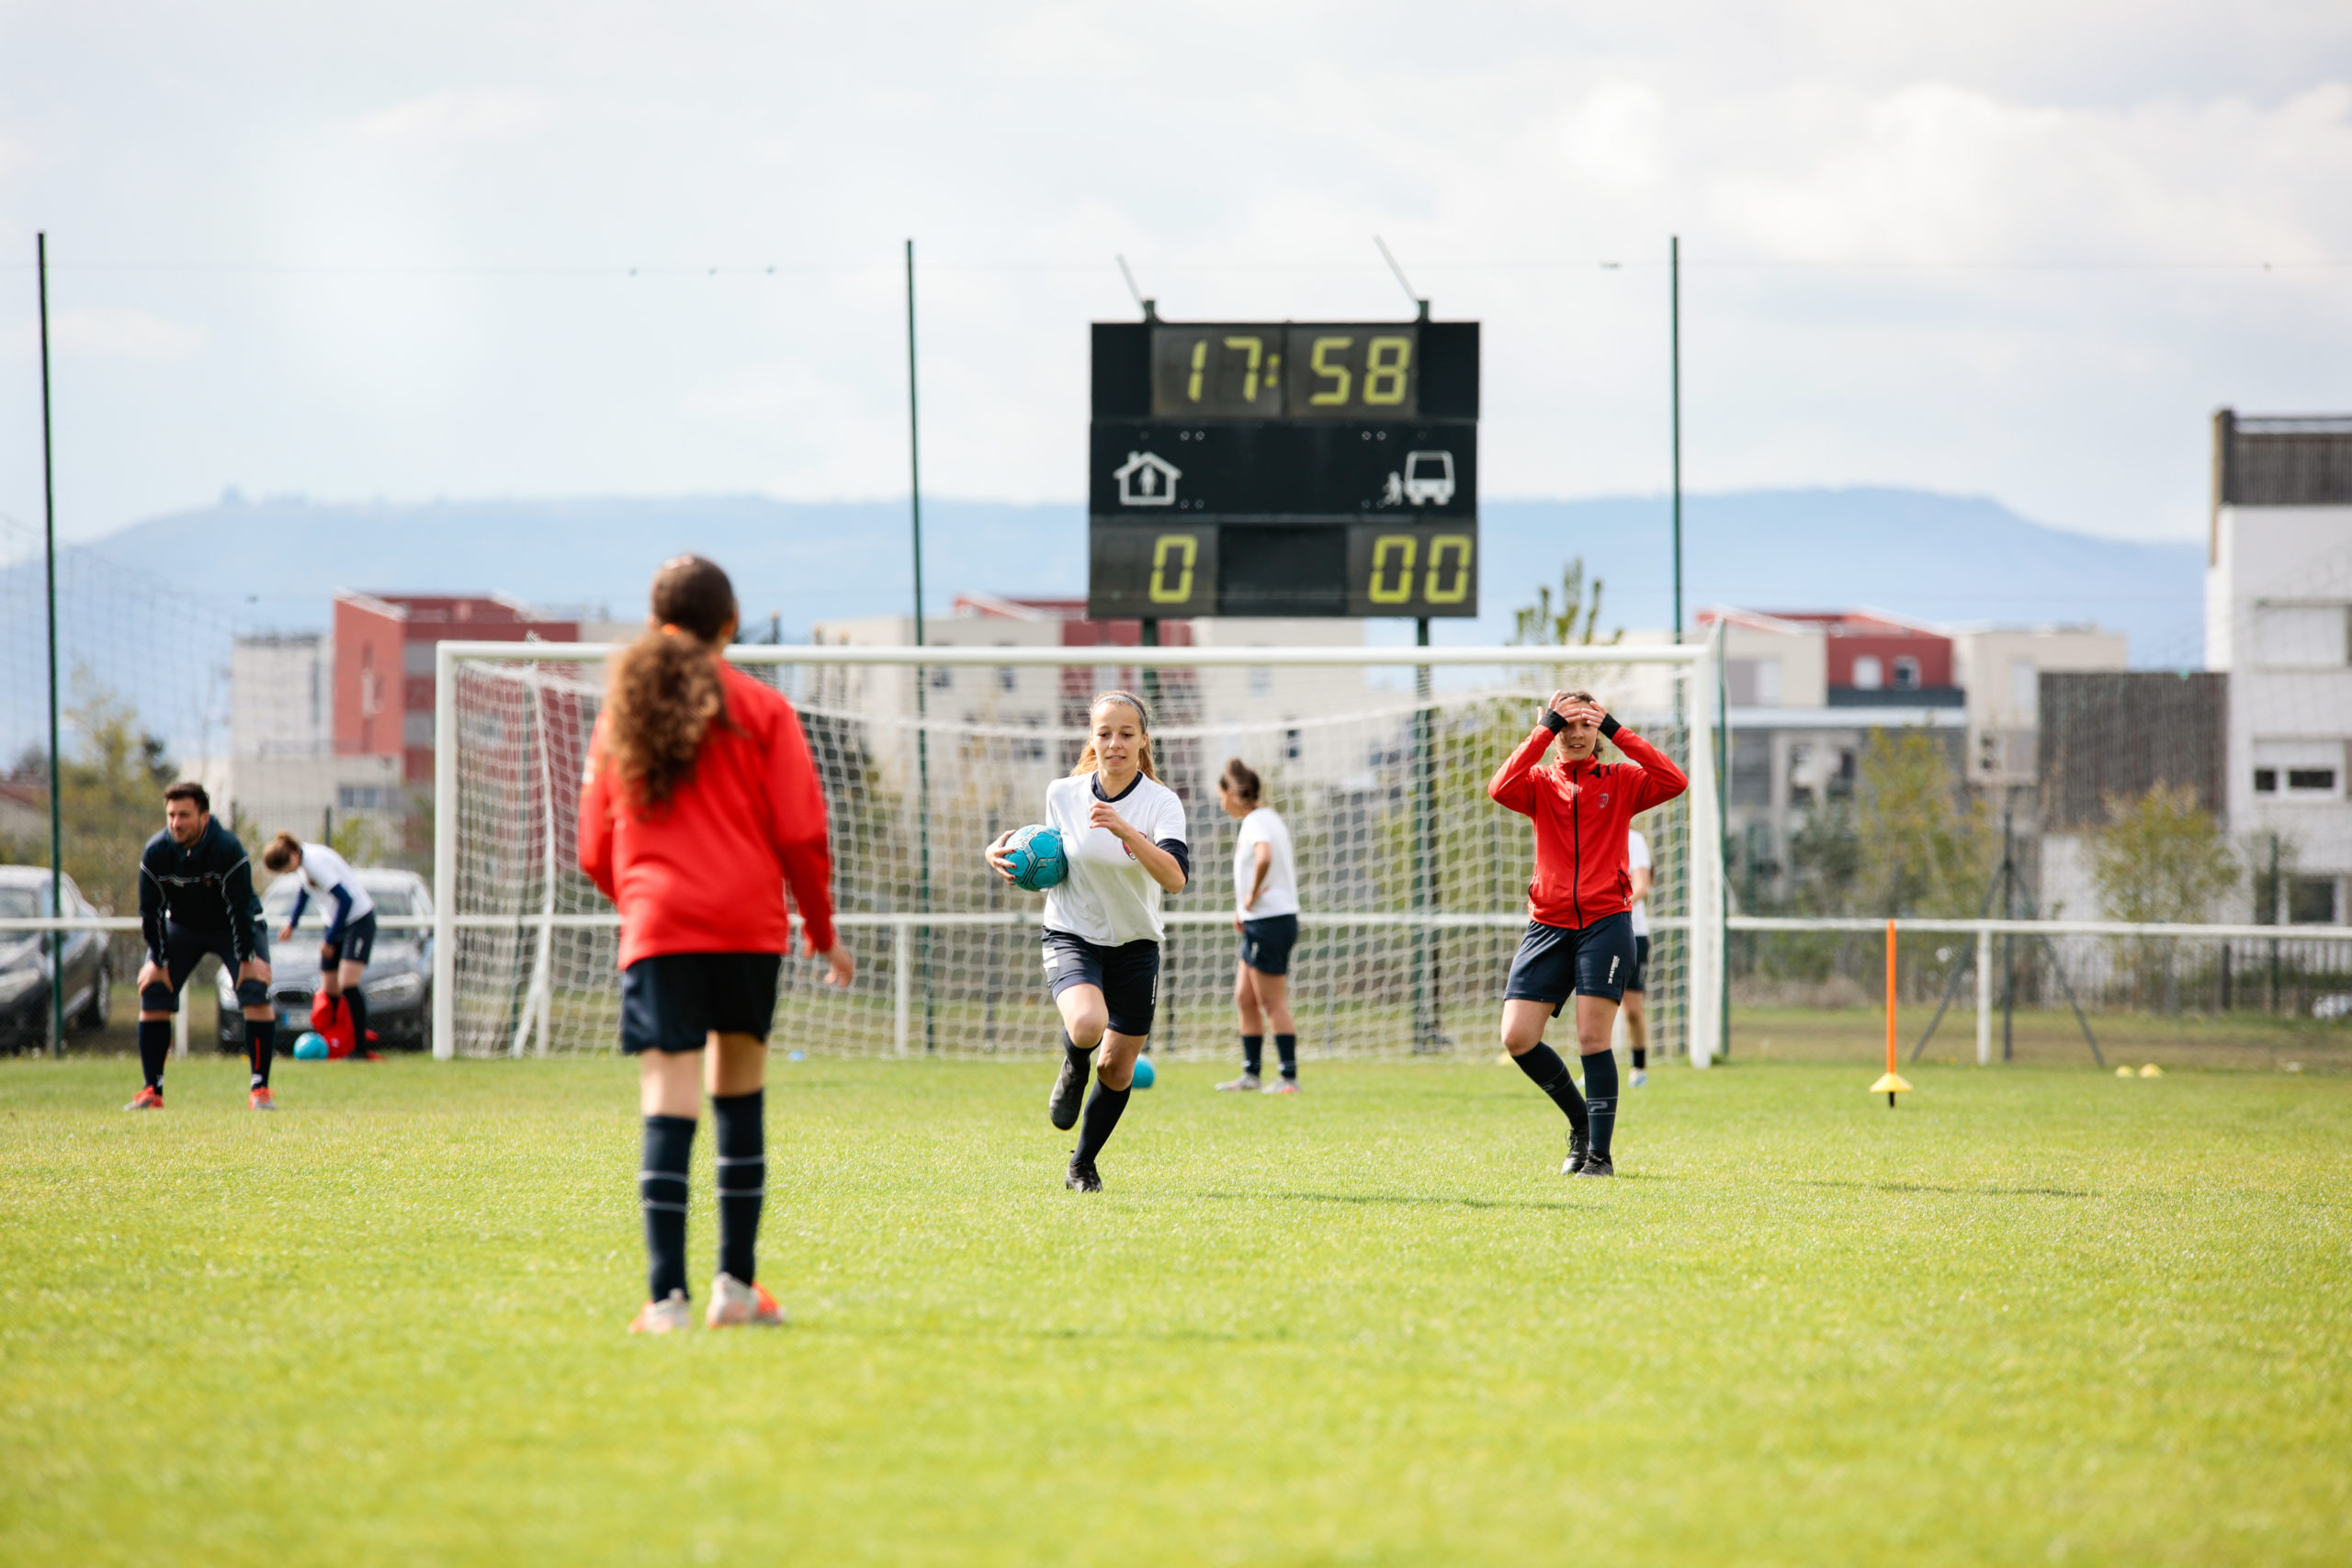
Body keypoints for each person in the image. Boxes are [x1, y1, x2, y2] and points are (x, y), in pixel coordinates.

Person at [578, 555, 853, 1335]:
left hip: (659, 928)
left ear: (654, 619)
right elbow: (803, 833)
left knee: (667, 1103)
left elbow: (592, 846)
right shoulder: (764, 707)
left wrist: (642, 903)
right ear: (730, 623)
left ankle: (665, 1299)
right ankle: (736, 1289)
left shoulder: (620, 711)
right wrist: (822, 932)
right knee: (738, 1098)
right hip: (747, 927)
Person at [985, 691, 1187, 1192]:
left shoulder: (1161, 803)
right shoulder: (1063, 793)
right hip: (1072, 933)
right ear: (1091, 739)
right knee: (1088, 1023)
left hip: (1136, 945)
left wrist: (1127, 832)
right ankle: (1073, 1065)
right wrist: (1003, 854)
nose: (1114, 743)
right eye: (1104, 733)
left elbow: (1176, 878)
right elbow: (1044, 853)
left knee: (1118, 1068)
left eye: (1125, 734)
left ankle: (1082, 1163)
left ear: (1143, 741)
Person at [1487, 690, 1687, 1177]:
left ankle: (1599, 1155)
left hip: (1605, 925)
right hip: (1547, 925)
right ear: (1553, 730)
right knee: (1516, 1038)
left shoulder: (1621, 780)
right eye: (1565, 724)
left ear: (1598, 731)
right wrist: (1540, 731)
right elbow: (1498, 787)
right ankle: (1581, 1122)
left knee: (1593, 1038)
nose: (1575, 734)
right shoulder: (1537, 783)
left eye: (1585, 724)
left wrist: (1619, 729)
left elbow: (1674, 780)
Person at [131, 782, 276, 1110]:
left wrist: (247, 958)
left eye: (184, 815)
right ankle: (152, 1091)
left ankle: (260, 1090)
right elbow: (149, 912)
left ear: (204, 816)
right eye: (171, 815)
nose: (176, 823)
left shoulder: (227, 848)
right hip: (183, 926)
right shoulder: (156, 852)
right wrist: (157, 959)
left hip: (233, 926)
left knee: (254, 989)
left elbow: (240, 909)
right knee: (153, 992)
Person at [1212, 759, 1301, 1094]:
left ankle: (1289, 1078)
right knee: (1244, 997)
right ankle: (1250, 1075)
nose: (1221, 803)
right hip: (1261, 921)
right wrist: (1244, 909)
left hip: (1270, 922)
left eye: (1222, 795)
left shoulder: (1255, 822)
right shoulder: (1268, 818)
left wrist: (1249, 898)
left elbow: (1263, 857)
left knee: (1272, 1003)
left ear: (1234, 793)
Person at [262, 833, 379, 1059]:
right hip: (336, 924)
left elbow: (346, 900)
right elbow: (304, 892)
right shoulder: (303, 864)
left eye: (286, 868)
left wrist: (330, 938)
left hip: (358, 921)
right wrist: (292, 923)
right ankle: (335, 1042)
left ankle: (360, 1049)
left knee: (348, 984)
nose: (288, 873)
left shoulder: (315, 861)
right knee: (330, 987)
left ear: (293, 855)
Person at [1623, 824, 1653, 1088]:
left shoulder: (1634, 840)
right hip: (1595, 934)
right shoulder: (1588, 832)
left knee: (1632, 1009)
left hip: (1632, 934)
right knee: (1593, 1005)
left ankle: (1639, 1066)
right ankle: (1595, 1066)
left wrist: (1615, 905)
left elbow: (1642, 885)